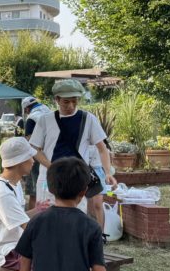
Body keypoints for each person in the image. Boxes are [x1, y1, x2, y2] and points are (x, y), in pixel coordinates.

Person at [28, 79, 116, 211]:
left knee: (76, 216)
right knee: (47, 215)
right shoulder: (45, 120)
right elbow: (34, 148)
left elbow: (102, 149)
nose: (71, 105)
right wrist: (52, 167)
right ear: (57, 99)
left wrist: (108, 173)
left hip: (76, 178)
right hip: (49, 178)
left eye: (74, 101)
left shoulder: (88, 119)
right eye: (66, 102)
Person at [0, 138, 42, 269]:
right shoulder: (3, 193)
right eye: (30, 157)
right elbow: (29, 228)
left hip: (16, 245)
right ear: (20, 161)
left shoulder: (13, 184)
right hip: (9, 252)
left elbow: (17, 218)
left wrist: (38, 209)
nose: (33, 161)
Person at [20, 97, 51, 210]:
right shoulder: (50, 113)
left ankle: (33, 217)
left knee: (34, 191)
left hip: (38, 157)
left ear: (27, 108)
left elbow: (30, 141)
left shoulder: (32, 118)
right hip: (51, 155)